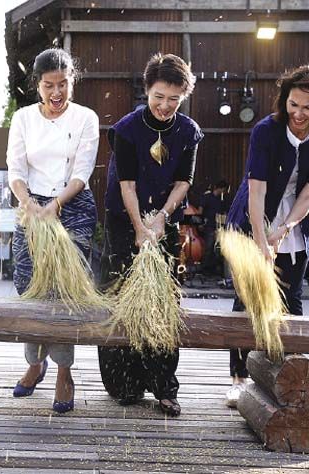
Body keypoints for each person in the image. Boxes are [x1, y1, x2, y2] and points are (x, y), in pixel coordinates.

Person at [224, 64, 309, 407]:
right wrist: (261, 241)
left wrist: (284, 230)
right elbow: (257, 190)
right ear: (284, 101)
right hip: (255, 213)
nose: (299, 113)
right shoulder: (266, 130)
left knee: (291, 298)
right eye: (293, 104)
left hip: (296, 217)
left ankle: (293, 378)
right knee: (248, 298)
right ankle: (238, 378)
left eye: (308, 107)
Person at [99, 53, 202, 418]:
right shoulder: (127, 129)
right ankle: (123, 383)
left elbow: (184, 181)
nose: (165, 105)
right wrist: (140, 228)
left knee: (164, 299)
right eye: (159, 96)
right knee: (122, 294)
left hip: (164, 218)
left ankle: (164, 386)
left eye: (173, 99)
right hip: (124, 219)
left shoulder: (188, 131)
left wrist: (160, 219)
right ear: (147, 91)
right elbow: (126, 185)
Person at [7, 48, 99, 414]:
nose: (56, 93)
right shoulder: (24, 118)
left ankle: (63, 371)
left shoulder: (85, 118)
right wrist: (29, 204)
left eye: (63, 84)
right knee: (29, 285)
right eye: (49, 86)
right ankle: (34, 360)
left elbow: (82, 170)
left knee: (64, 290)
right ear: (38, 86)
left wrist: (55, 206)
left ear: (72, 81)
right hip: (30, 204)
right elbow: (15, 168)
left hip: (71, 204)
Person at [199, 180, 229, 276]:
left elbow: (223, 213)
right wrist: (200, 222)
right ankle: (204, 268)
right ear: (221, 188)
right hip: (208, 225)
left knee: (217, 249)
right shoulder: (207, 197)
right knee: (208, 247)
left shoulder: (221, 200)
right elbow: (200, 210)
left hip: (218, 226)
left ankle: (213, 269)